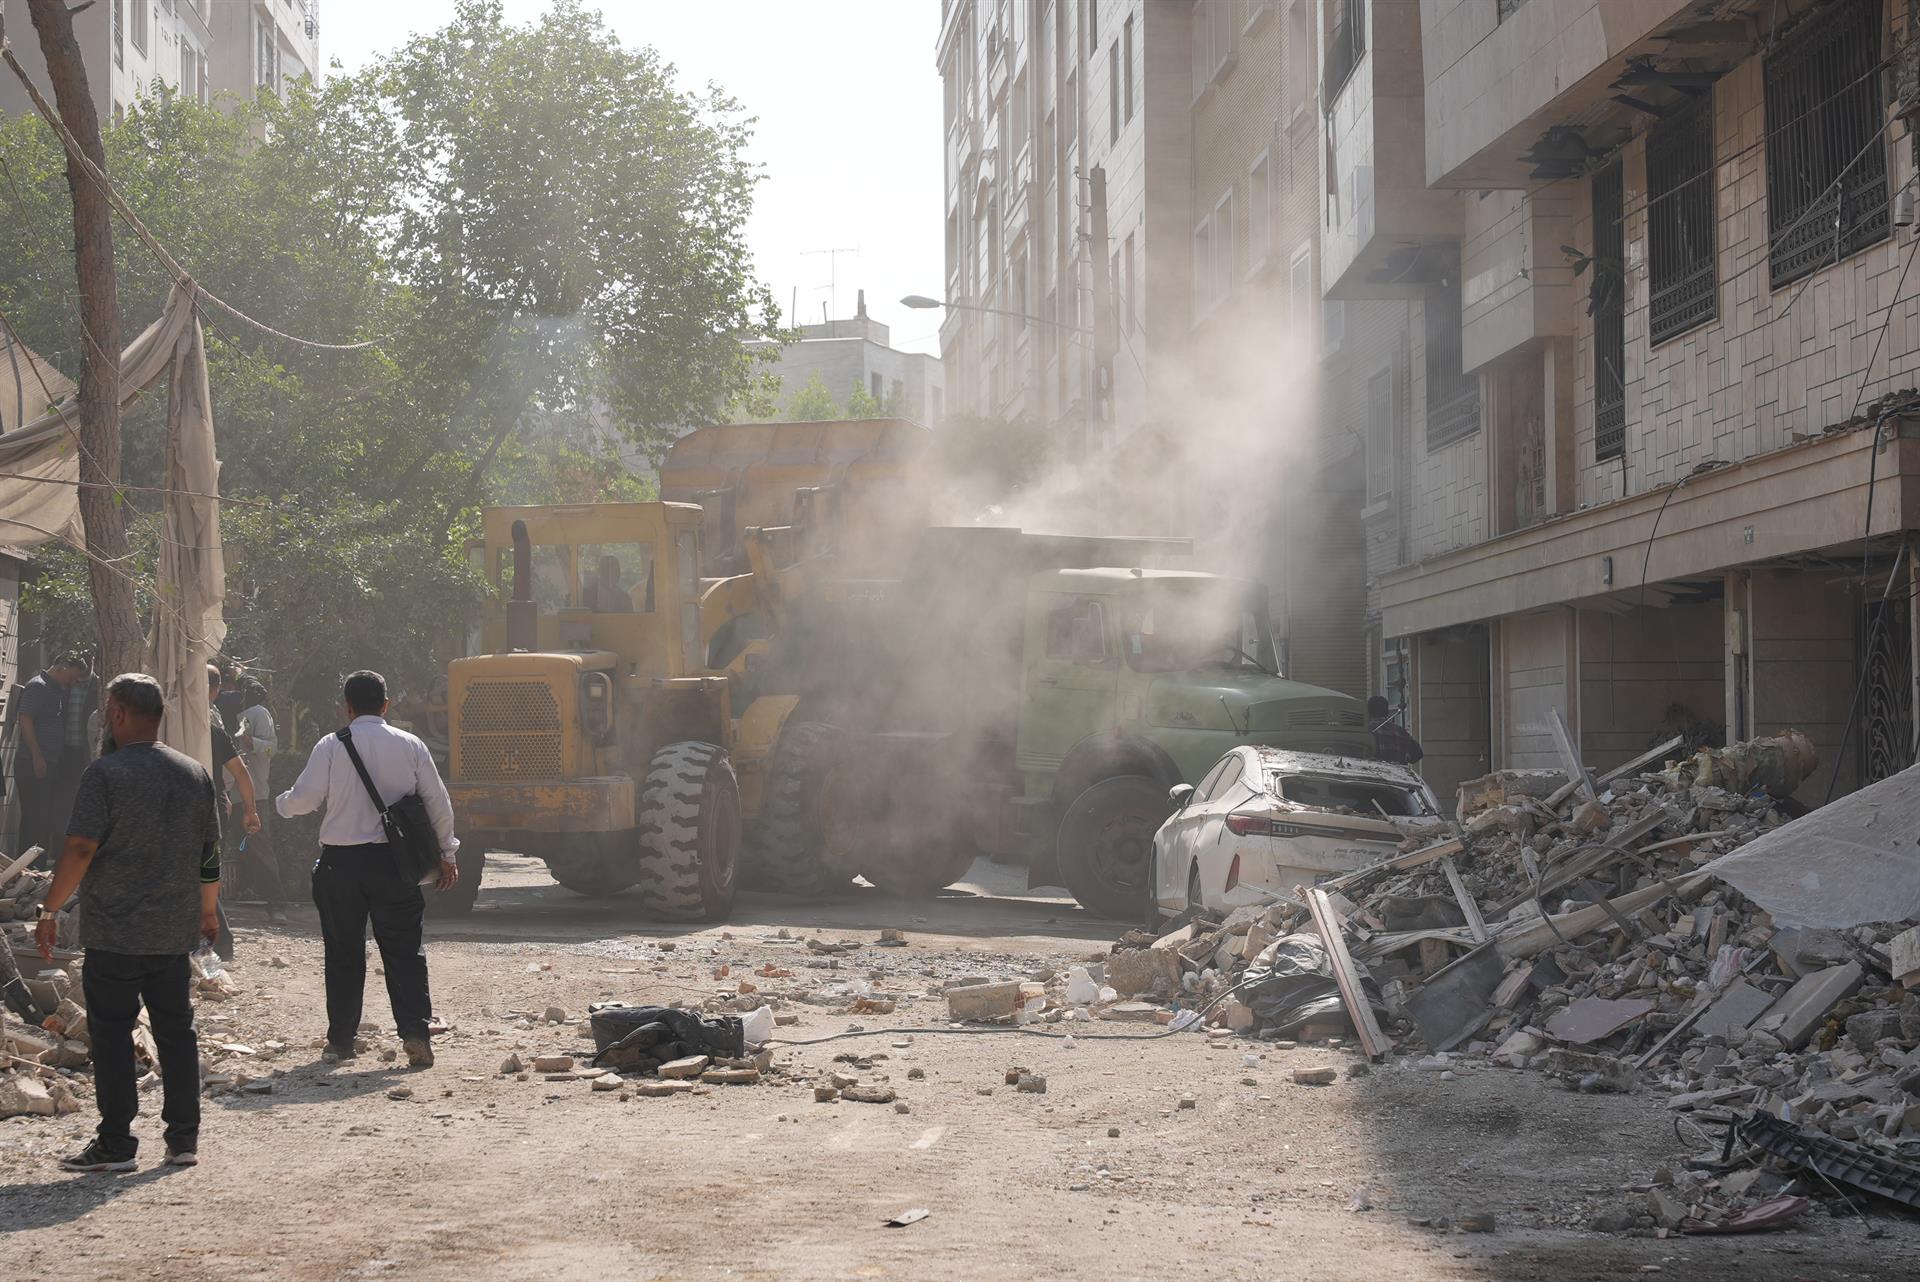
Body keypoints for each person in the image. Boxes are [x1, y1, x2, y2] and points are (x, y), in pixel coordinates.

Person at [35, 673, 222, 1172]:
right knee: (177, 1032)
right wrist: (208, 912)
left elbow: (79, 847)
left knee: (114, 1035)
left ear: (117, 714)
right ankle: (183, 1140)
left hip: (115, 933)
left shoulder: (104, 775)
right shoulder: (194, 774)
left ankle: (116, 1144)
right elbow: (209, 853)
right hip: (172, 931)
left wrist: (50, 910)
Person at [277, 670, 459, 1067]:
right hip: (395, 865)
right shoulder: (411, 745)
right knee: (405, 952)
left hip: (340, 864)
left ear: (347, 707)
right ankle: (415, 1033)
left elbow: (305, 800)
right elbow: (438, 803)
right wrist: (448, 854)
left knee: (343, 952)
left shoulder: (331, 745)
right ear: (386, 705)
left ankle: (341, 1040)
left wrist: (281, 804)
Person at [13, 652, 91, 862]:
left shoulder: (56, 690)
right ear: (62, 668)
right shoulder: (38, 686)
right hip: (32, 763)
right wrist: (37, 756)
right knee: (34, 818)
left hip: (48, 763)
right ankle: (27, 868)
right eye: (73, 676)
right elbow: (25, 719)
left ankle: (35, 867)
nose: (73, 682)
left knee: (43, 817)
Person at [1367, 694, 1425, 766]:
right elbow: (1417, 754)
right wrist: (1404, 758)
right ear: (1387, 712)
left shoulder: (1365, 730)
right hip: (1397, 775)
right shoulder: (1400, 731)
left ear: (1368, 712)